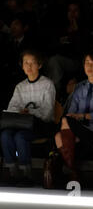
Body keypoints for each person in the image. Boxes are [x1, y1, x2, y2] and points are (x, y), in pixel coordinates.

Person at [53, 51, 93, 183]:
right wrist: (76, 117)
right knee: (59, 136)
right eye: (87, 62)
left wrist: (83, 116)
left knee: (64, 125)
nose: (89, 66)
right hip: (77, 130)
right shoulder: (79, 87)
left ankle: (72, 171)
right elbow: (71, 112)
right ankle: (74, 171)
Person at [0, 50, 56, 187]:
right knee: (5, 135)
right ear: (22, 66)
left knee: (20, 137)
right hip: (21, 123)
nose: (29, 66)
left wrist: (30, 111)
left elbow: (48, 112)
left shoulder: (47, 84)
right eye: (26, 63)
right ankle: (13, 173)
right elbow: (12, 107)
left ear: (40, 65)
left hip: (40, 125)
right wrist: (20, 111)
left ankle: (27, 174)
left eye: (32, 63)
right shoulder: (20, 86)